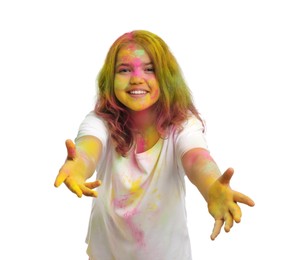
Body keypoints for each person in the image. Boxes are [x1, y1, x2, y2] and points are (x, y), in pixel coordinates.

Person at [54, 30, 255, 260]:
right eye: (124, 70)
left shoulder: (182, 125)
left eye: (149, 69)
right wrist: (77, 167)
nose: (137, 78)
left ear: (167, 77)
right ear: (110, 78)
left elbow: (196, 158)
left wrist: (211, 187)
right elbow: (88, 148)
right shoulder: (100, 122)